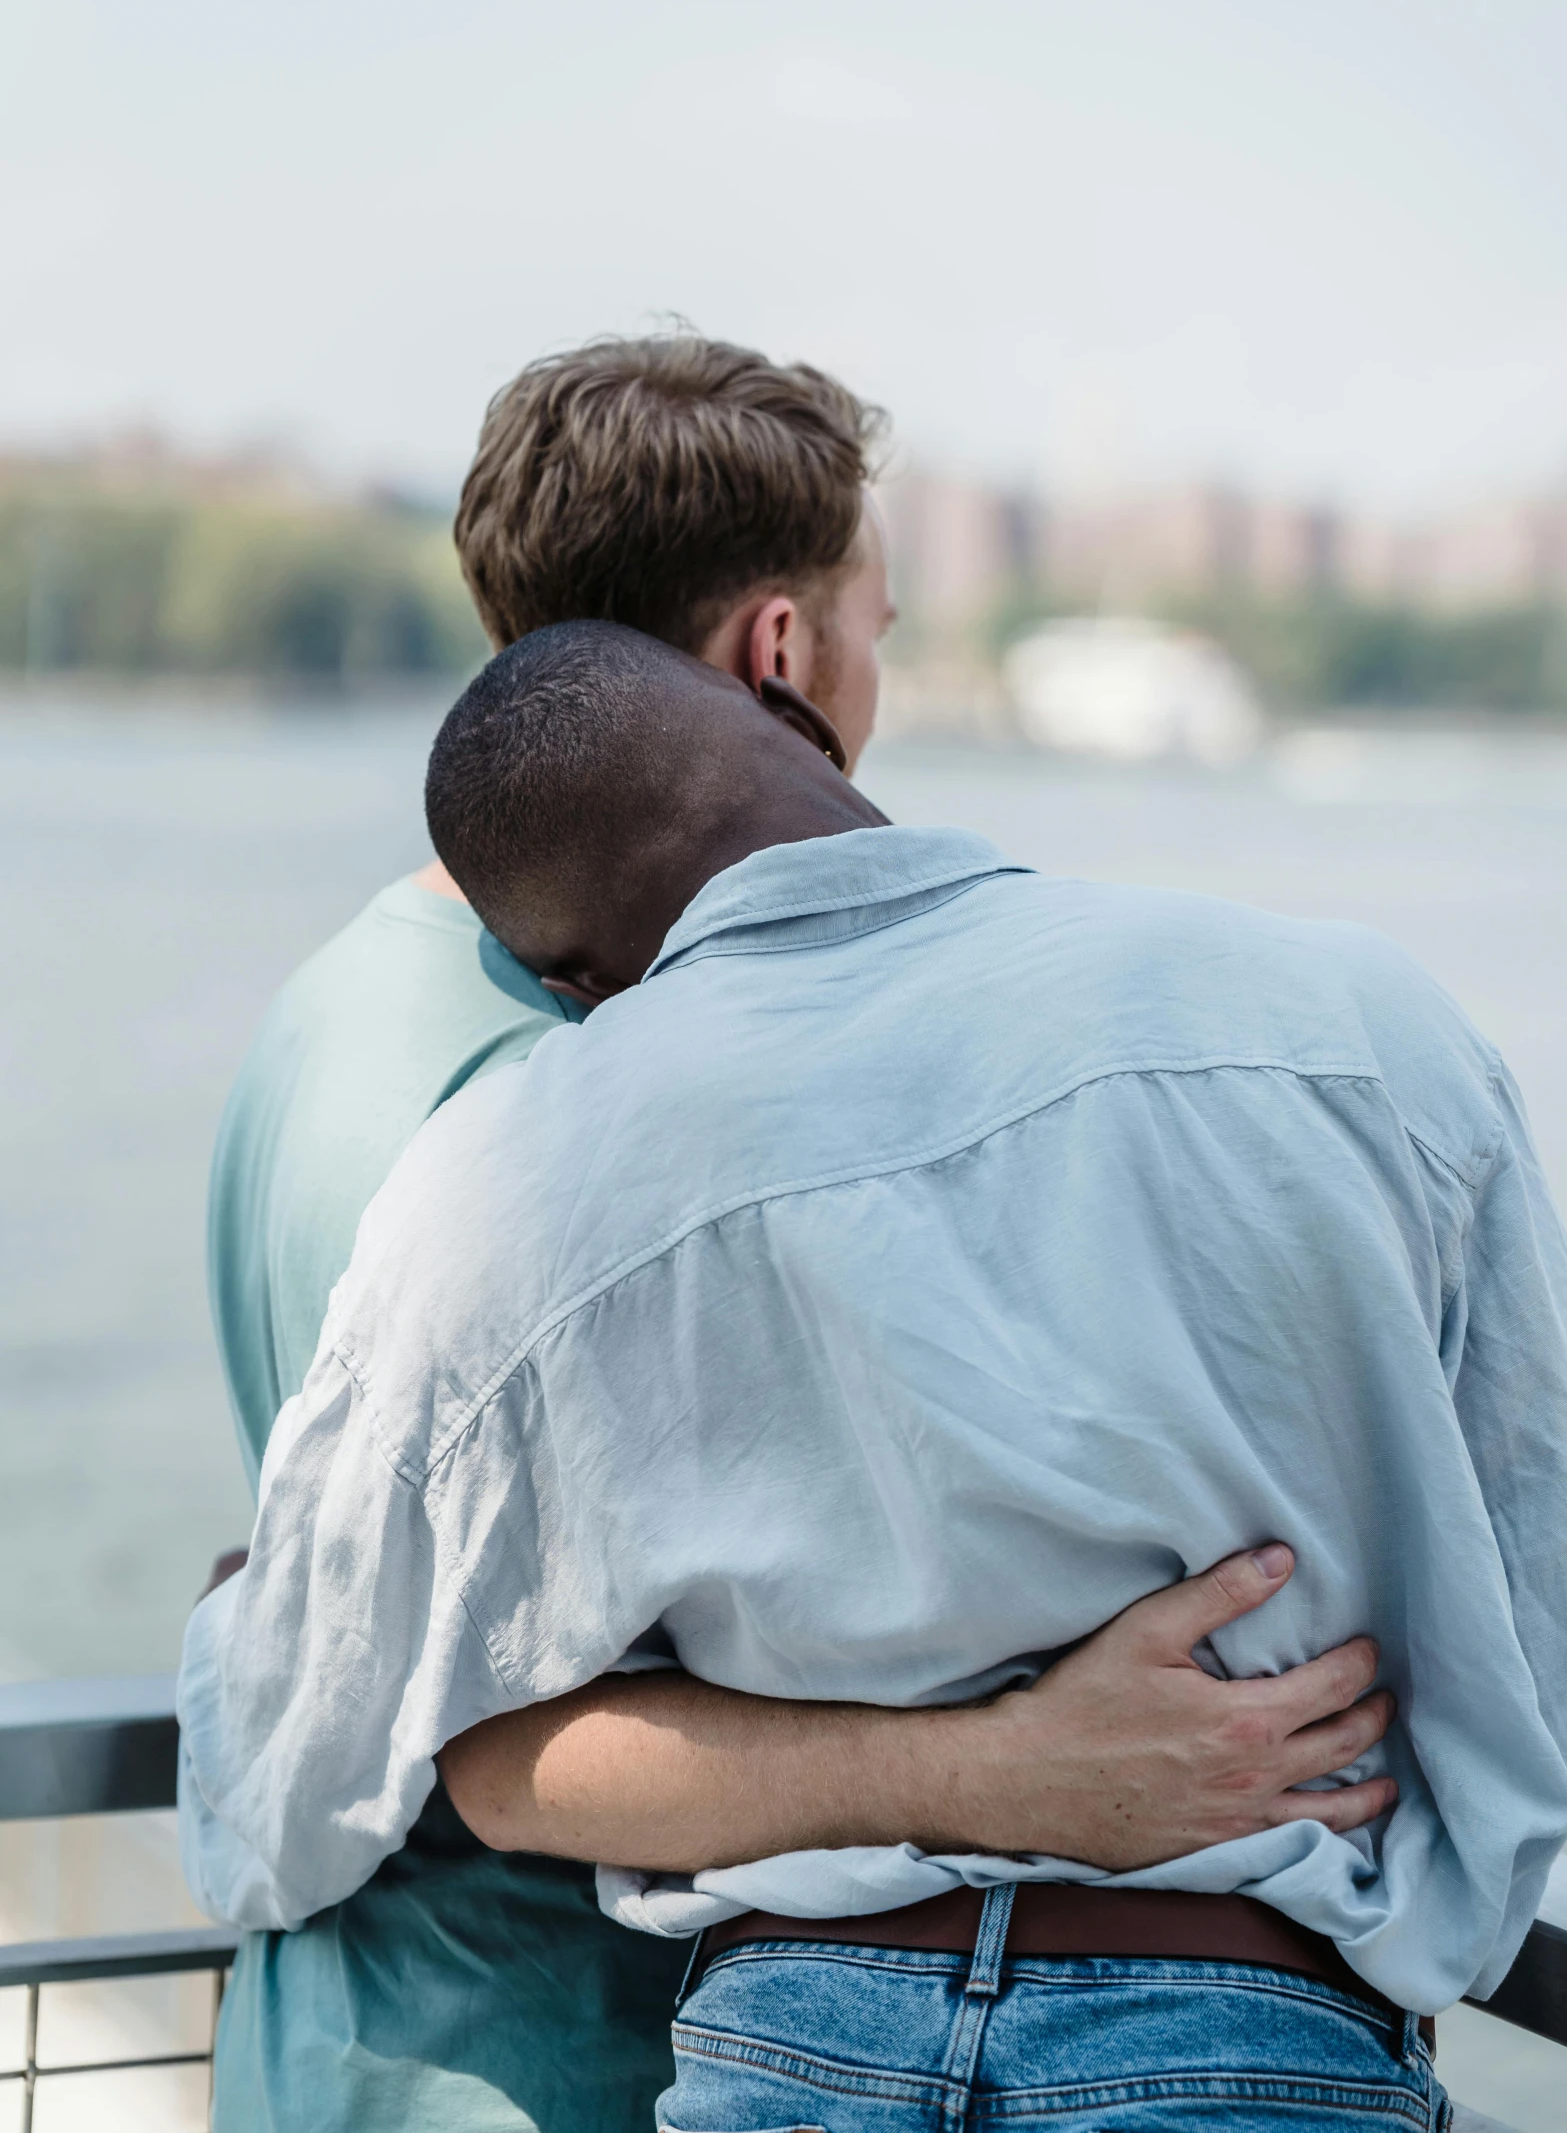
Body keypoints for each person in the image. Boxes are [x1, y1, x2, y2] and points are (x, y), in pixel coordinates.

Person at [200, 337, 1395, 2132]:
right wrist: (1023, 1769)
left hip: (361, 2037)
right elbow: (471, 1732)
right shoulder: (552, 1115)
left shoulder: (337, 1016)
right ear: (784, 653)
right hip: (548, 2063)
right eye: (880, 627)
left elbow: (331, 1604)